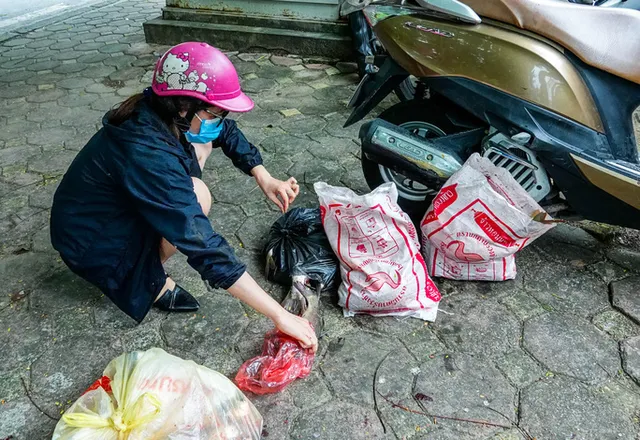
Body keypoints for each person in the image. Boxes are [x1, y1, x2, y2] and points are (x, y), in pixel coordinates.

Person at [50, 42, 318, 352]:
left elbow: (224, 132)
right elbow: (202, 243)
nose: (219, 120)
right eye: (215, 113)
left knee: (199, 153)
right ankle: (147, 281)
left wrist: (263, 175)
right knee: (195, 198)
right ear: (183, 105)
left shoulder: (160, 108)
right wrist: (279, 314)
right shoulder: (147, 150)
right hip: (89, 242)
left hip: (105, 211)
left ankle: (145, 263)